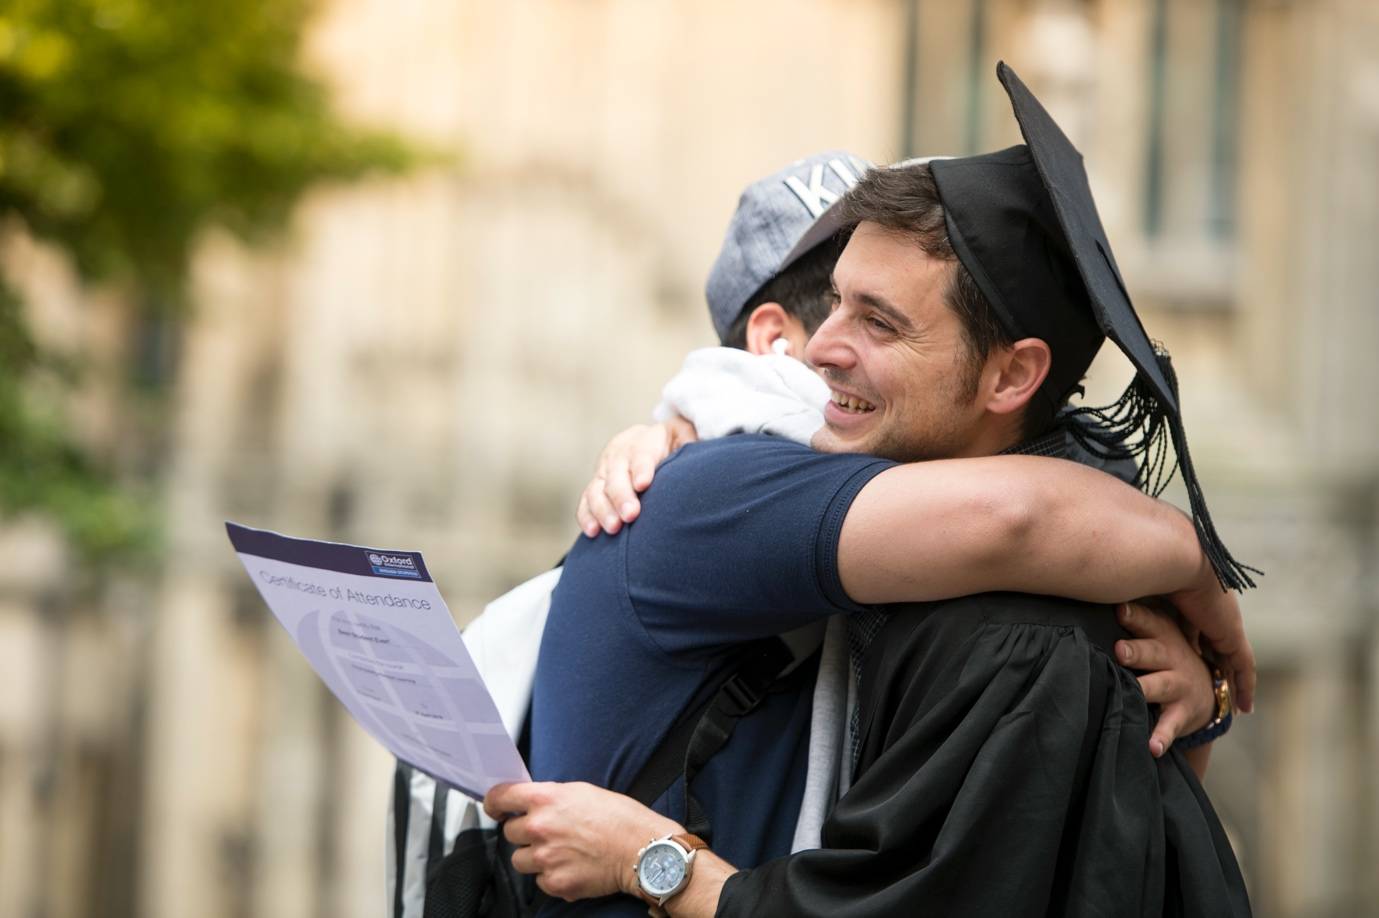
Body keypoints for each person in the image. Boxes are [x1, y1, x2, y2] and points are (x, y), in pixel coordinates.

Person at [482, 63, 1254, 917]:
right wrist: (1196, 573)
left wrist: (1199, 698)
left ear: (1012, 376)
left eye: (878, 320)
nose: (822, 350)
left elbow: (1139, 839)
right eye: (830, 303)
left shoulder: (1031, 604)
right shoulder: (710, 486)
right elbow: (1017, 516)